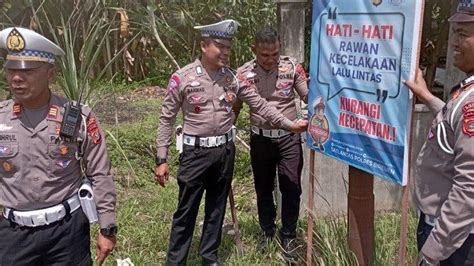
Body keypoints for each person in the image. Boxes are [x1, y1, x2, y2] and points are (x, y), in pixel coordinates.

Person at [154, 20, 308, 265]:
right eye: (220, 46)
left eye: (228, 47)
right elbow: (166, 118)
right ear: (204, 46)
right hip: (195, 153)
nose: (225, 52)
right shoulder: (182, 78)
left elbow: (260, 106)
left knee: (217, 208)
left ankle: (210, 257)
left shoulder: (233, 79)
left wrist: (291, 126)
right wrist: (161, 159)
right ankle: (176, 261)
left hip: (224, 151)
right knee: (187, 210)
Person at [0, 27, 117, 265]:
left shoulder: (76, 117)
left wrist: (107, 227)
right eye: (11, 70)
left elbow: (99, 172)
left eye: (27, 71)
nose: (16, 78)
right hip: (13, 234)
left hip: (67, 232)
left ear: (50, 74)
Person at [404, 2, 474, 265]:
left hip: (457, 242)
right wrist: (426, 97)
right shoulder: (467, 93)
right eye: (455, 32)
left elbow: (469, 189)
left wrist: (432, 253)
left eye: (464, 34)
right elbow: (454, 125)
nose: (454, 42)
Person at [233, 27, 308, 263]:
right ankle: (267, 231)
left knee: (292, 187)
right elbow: (235, 108)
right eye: (265, 55)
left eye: (275, 53)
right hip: (261, 139)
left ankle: (289, 236)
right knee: (263, 188)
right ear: (254, 50)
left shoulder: (292, 67)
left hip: (289, 139)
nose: (271, 60)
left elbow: (308, 95)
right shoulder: (243, 74)